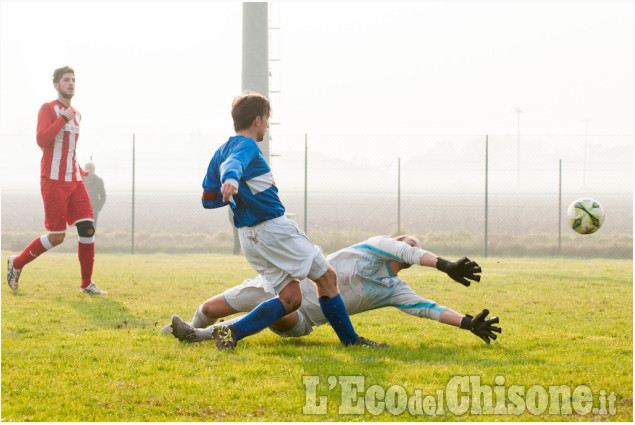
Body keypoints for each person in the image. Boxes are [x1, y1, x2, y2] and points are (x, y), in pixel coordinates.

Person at [198, 91, 382, 350]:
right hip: (273, 230)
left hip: (249, 238)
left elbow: (207, 197)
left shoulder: (220, 151)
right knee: (327, 277)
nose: (268, 127)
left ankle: (231, 334)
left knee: (291, 298)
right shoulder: (246, 146)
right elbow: (234, 163)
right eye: (268, 121)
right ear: (258, 120)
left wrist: (233, 189)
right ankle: (352, 341)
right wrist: (231, 178)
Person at [166, 235, 500, 345]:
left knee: (284, 310)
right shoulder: (371, 247)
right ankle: (185, 333)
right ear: (395, 244)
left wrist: (468, 323)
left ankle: (202, 337)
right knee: (208, 309)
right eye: (407, 241)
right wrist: (444, 265)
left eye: (415, 246)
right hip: (279, 285)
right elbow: (406, 250)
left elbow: (428, 308)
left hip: (300, 319)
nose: (411, 246)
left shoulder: (394, 289)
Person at [6, 66, 107, 295]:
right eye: (66, 80)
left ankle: (86, 284)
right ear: (56, 85)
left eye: (73, 80)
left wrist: (80, 171)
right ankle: (17, 263)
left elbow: (68, 150)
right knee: (57, 237)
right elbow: (42, 140)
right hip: (52, 181)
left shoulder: (78, 114)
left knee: (88, 229)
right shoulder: (48, 109)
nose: (71, 83)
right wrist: (62, 118)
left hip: (75, 181)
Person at [83, 162, 106, 229]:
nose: (89, 171)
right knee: (82, 229)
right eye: (87, 169)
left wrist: (98, 208)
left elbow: (103, 196)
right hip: (82, 209)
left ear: (94, 170)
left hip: (94, 209)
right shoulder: (81, 180)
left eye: (91, 169)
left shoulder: (99, 181)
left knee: (91, 229)